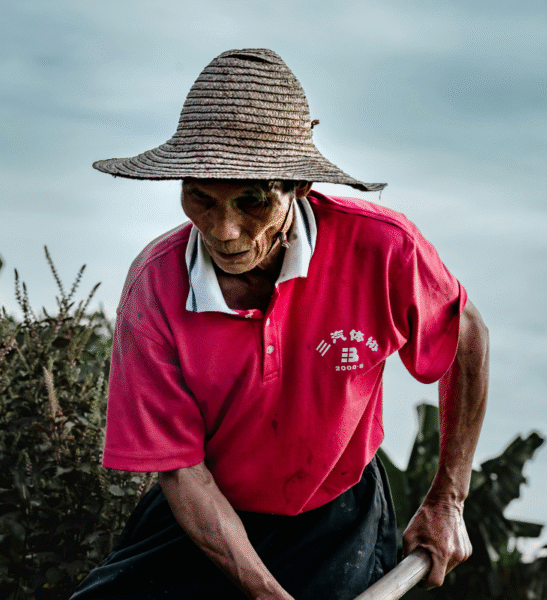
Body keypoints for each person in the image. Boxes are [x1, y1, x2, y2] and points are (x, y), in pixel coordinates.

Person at [71, 48, 489, 600]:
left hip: (335, 514)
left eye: (252, 200)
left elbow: (466, 339)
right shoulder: (156, 286)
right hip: (204, 511)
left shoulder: (382, 250)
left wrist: (447, 499)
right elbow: (182, 470)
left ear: (299, 189)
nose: (224, 231)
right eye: (201, 197)